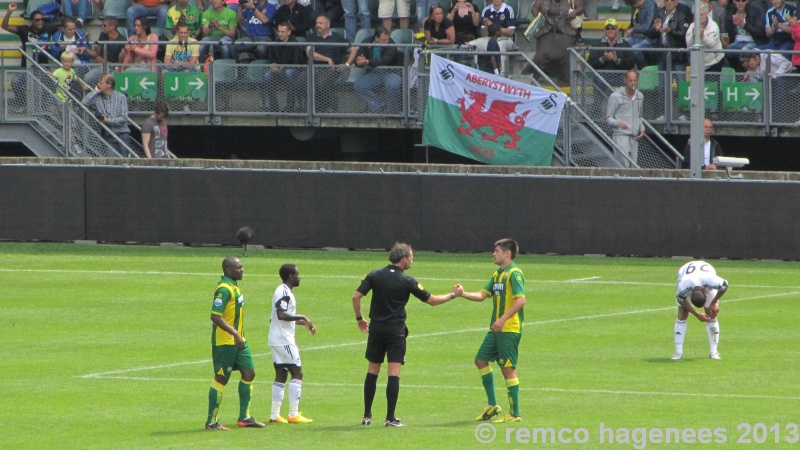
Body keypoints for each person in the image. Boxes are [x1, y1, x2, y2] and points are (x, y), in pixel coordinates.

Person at [351, 242, 457, 427]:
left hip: (376, 328)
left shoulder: (375, 274)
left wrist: (360, 318)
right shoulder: (407, 281)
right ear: (404, 258)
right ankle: (390, 418)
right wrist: (454, 295)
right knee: (394, 373)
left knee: (372, 371)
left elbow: (356, 296)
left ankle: (367, 416)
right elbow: (432, 301)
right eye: (411, 258)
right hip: (395, 331)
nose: (412, 262)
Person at [452, 238, 526, 424]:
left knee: (507, 369)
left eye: (497, 251)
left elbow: (520, 301)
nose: (493, 254)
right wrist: (463, 294)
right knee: (480, 360)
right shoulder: (497, 275)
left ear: (507, 253)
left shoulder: (514, 274)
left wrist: (502, 319)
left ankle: (515, 413)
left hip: (508, 329)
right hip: (496, 329)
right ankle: (492, 405)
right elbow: (482, 295)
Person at [205, 256, 266, 430]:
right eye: (239, 267)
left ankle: (244, 417)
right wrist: (235, 334)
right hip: (225, 342)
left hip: (239, 341)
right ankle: (211, 422)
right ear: (228, 270)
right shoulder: (224, 289)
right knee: (222, 378)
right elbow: (215, 316)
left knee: (249, 373)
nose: (242, 270)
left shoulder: (233, 287)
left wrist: (239, 336)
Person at [268, 264, 316, 424]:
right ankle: (293, 414)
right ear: (290, 276)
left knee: (281, 374)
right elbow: (281, 315)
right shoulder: (283, 292)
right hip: (283, 339)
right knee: (297, 372)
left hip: (276, 338)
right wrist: (304, 317)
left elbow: (283, 317)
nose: (299, 277)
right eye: (297, 274)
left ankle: (274, 415)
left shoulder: (285, 291)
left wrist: (303, 323)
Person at [2, 5, 59, 112]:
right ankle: (24, 104)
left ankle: (45, 106)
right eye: (37, 20)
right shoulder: (25, 30)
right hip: (27, 67)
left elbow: (64, 30)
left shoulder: (49, 28)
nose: (40, 22)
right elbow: (5, 26)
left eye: (42, 19)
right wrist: (9, 11)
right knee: (16, 81)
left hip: (43, 66)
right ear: (32, 21)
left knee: (53, 82)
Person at [672, 260, 728, 360]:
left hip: (705, 275)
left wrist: (714, 302)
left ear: (706, 294)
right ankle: (678, 352)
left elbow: (725, 285)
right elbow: (680, 299)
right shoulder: (684, 285)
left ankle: (714, 352)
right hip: (686, 274)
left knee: (712, 313)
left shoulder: (712, 280)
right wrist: (697, 314)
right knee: (683, 312)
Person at [308, 15, 357, 112]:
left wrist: (346, 65)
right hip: (314, 68)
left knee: (321, 83)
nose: (317, 25)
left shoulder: (337, 37)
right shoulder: (312, 37)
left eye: (320, 23)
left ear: (328, 25)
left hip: (332, 69)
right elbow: (310, 53)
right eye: (316, 23)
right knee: (299, 82)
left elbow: (354, 50)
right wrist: (327, 59)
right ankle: (309, 109)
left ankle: (321, 110)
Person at [354, 26, 402, 113]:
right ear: (376, 38)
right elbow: (359, 58)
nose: (387, 42)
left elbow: (385, 60)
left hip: (391, 72)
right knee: (359, 85)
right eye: (384, 40)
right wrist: (359, 62)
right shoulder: (367, 41)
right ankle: (378, 107)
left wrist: (367, 61)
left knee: (393, 84)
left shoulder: (392, 44)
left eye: (387, 39)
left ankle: (392, 110)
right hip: (374, 73)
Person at [531, 0, 580, 84]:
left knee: (564, 51)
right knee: (541, 53)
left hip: (564, 31)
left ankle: (564, 79)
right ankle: (535, 79)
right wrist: (536, 15)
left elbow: (581, 7)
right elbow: (534, 7)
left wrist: (575, 12)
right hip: (547, 30)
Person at [82, 73, 132, 154]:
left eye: (101, 83)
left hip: (122, 133)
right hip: (108, 134)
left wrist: (108, 120)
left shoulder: (121, 97)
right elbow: (83, 103)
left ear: (109, 85)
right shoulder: (96, 97)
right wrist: (95, 91)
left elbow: (124, 118)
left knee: (124, 160)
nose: (98, 84)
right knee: (110, 161)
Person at [605, 69, 645, 168]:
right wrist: (617, 123)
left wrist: (642, 128)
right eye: (630, 80)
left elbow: (639, 115)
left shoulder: (640, 96)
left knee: (633, 167)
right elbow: (609, 117)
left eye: (635, 80)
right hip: (620, 135)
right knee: (623, 166)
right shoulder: (615, 96)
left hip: (634, 135)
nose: (633, 83)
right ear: (625, 81)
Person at [739, 51, 795, 121]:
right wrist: (748, 84)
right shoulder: (751, 70)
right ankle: (763, 118)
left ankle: (775, 119)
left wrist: (774, 76)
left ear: (755, 58)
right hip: (769, 82)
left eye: (749, 64)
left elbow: (786, 64)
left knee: (779, 85)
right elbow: (755, 83)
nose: (748, 68)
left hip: (788, 76)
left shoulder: (768, 56)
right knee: (761, 90)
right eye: (746, 67)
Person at [266, 22, 308, 112]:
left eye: (282, 32)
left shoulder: (295, 44)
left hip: (295, 71)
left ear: (289, 32)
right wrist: (273, 65)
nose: (280, 34)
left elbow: (296, 63)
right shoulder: (275, 43)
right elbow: (272, 60)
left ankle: (290, 106)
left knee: (289, 73)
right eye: (278, 31)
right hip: (278, 71)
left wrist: (282, 68)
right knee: (268, 75)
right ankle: (274, 107)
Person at [646, 0, 692, 73]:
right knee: (662, 81)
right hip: (662, 52)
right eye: (667, 0)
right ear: (664, 2)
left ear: (676, 2)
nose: (669, 2)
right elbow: (649, 34)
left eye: (672, 0)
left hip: (677, 54)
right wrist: (656, 30)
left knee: (679, 81)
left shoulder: (682, 16)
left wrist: (670, 30)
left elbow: (684, 35)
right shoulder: (659, 14)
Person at [82, 17, 127, 87]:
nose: (102, 27)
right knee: (87, 78)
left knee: (108, 81)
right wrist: (85, 49)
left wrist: (104, 61)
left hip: (114, 69)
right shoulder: (103, 35)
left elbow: (121, 65)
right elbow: (96, 53)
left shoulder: (122, 41)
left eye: (104, 25)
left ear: (112, 27)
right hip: (102, 66)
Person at [724, 0, 767, 69]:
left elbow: (760, 32)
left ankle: (747, 76)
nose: (740, 3)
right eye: (738, 1)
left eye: (743, 1)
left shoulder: (755, 11)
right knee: (723, 52)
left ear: (747, 1)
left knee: (745, 51)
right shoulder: (730, 13)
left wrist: (744, 25)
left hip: (753, 41)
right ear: (734, 1)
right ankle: (731, 73)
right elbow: (728, 32)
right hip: (737, 42)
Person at [685, 2, 726, 73]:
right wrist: (694, 37)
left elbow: (711, 44)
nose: (699, 17)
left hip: (714, 63)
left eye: (701, 15)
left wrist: (702, 37)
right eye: (697, 15)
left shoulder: (713, 26)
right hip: (699, 65)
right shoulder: (692, 26)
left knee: (713, 84)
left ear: (706, 14)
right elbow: (688, 45)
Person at [623, 0, 658, 69]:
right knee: (622, 45)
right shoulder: (634, 7)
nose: (632, 6)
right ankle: (629, 71)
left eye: (632, 4)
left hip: (648, 37)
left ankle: (643, 70)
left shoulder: (650, 5)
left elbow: (647, 27)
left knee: (634, 49)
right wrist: (628, 29)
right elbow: (633, 23)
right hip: (635, 36)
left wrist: (633, 29)